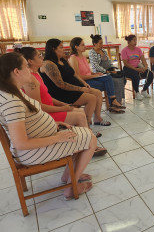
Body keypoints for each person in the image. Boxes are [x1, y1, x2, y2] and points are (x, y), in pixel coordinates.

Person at [0, 52, 96, 199]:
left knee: (76, 133)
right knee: (90, 139)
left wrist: (54, 123)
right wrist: (58, 138)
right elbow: (20, 143)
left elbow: (30, 116)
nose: (30, 70)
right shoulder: (11, 102)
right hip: (31, 153)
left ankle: (68, 178)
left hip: (37, 142)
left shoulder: (12, 90)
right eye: (26, 66)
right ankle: (71, 187)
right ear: (16, 71)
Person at [18, 47, 107, 157]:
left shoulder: (36, 74)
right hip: (45, 115)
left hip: (51, 107)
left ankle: (86, 142)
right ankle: (88, 146)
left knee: (80, 112)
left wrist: (61, 104)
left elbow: (47, 96)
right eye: (38, 56)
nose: (42, 57)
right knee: (80, 116)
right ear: (30, 61)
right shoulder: (30, 80)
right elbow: (38, 106)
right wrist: (62, 108)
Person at [39, 39, 111, 126]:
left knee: (98, 93)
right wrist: (81, 88)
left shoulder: (62, 60)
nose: (64, 49)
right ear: (53, 49)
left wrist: (83, 83)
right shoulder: (48, 64)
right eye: (61, 47)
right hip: (61, 92)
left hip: (73, 87)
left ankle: (97, 118)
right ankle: (86, 125)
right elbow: (61, 84)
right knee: (91, 98)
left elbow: (74, 74)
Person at [69, 37, 124, 113]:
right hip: (83, 82)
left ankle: (113, 101)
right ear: (76, 47)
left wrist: (95, 73)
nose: (85, 46)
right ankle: (112, 103)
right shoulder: (73, 58)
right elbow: (78, 76)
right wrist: (94, 76)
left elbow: (87, 71)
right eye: (83, 45)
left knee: (108, 78)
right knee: (110, 84)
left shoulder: (83, 57)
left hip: (91, 78)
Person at [88, 34, 126, 105]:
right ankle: (113, 102)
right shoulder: (91, 52)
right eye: (100, 43)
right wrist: (105, 71)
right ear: (95, 44)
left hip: (109, 70)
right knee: (115, 81)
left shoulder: (103, 51)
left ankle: (119, 99)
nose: (102, 45)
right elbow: (95, 65)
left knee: (121, 78)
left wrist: (113, 68)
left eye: (102, 43)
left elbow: (109, 61)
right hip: (100, 73)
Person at [121, 34, 154, 100]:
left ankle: (144, 90)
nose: (135, 42)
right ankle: (137, 92)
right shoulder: (124, 50)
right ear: (129, 42)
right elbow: (126, 63)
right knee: (135, 75)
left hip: (138, 66)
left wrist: (145, 66)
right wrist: (136, 69)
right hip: (128, 69)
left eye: (136, 40)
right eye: (134, 40)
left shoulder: (138, 49)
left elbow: (143, 59)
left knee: (150, 74)